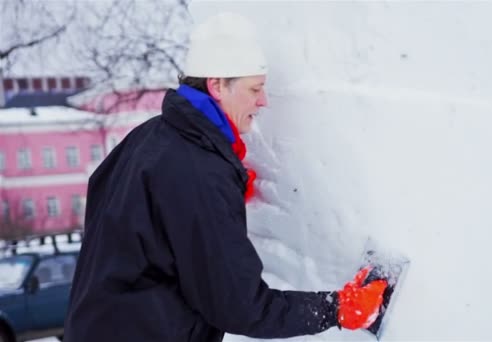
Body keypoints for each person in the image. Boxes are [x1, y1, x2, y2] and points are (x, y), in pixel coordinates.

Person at [64, 12, 387, 342]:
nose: (263, 101)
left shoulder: (150, 137)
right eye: (255, 89)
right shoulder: (200, 172)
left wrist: (209, 198)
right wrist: (337, 309)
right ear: (217, 85)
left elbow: (113, 203)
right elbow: (241, 307)